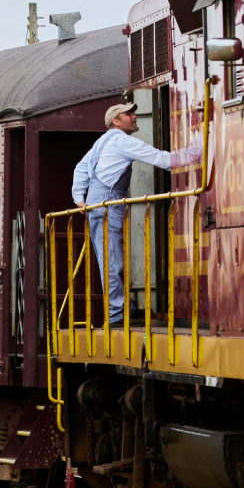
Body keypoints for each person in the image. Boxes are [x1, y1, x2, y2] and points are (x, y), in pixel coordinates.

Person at [71, 102, 173, 324]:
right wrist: (195, 156)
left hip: (97, 204)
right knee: (112, 260)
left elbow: (81, 167)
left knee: (110, 257)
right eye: (129, 114)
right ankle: (117, 313)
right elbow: (160, 158)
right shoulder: (121, 141)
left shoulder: (102, 141)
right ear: (116, 121)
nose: (134, 116)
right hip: (109, 202)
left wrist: (80, 199)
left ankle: (122, 307)